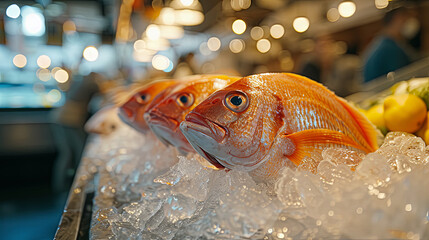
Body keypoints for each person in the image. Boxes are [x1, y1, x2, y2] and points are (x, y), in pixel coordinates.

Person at [363, 7, 414, 83]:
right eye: (405, 19)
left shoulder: (382, 42)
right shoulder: (389, 48)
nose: (407, 23)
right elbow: (404, 78)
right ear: (397, 19)